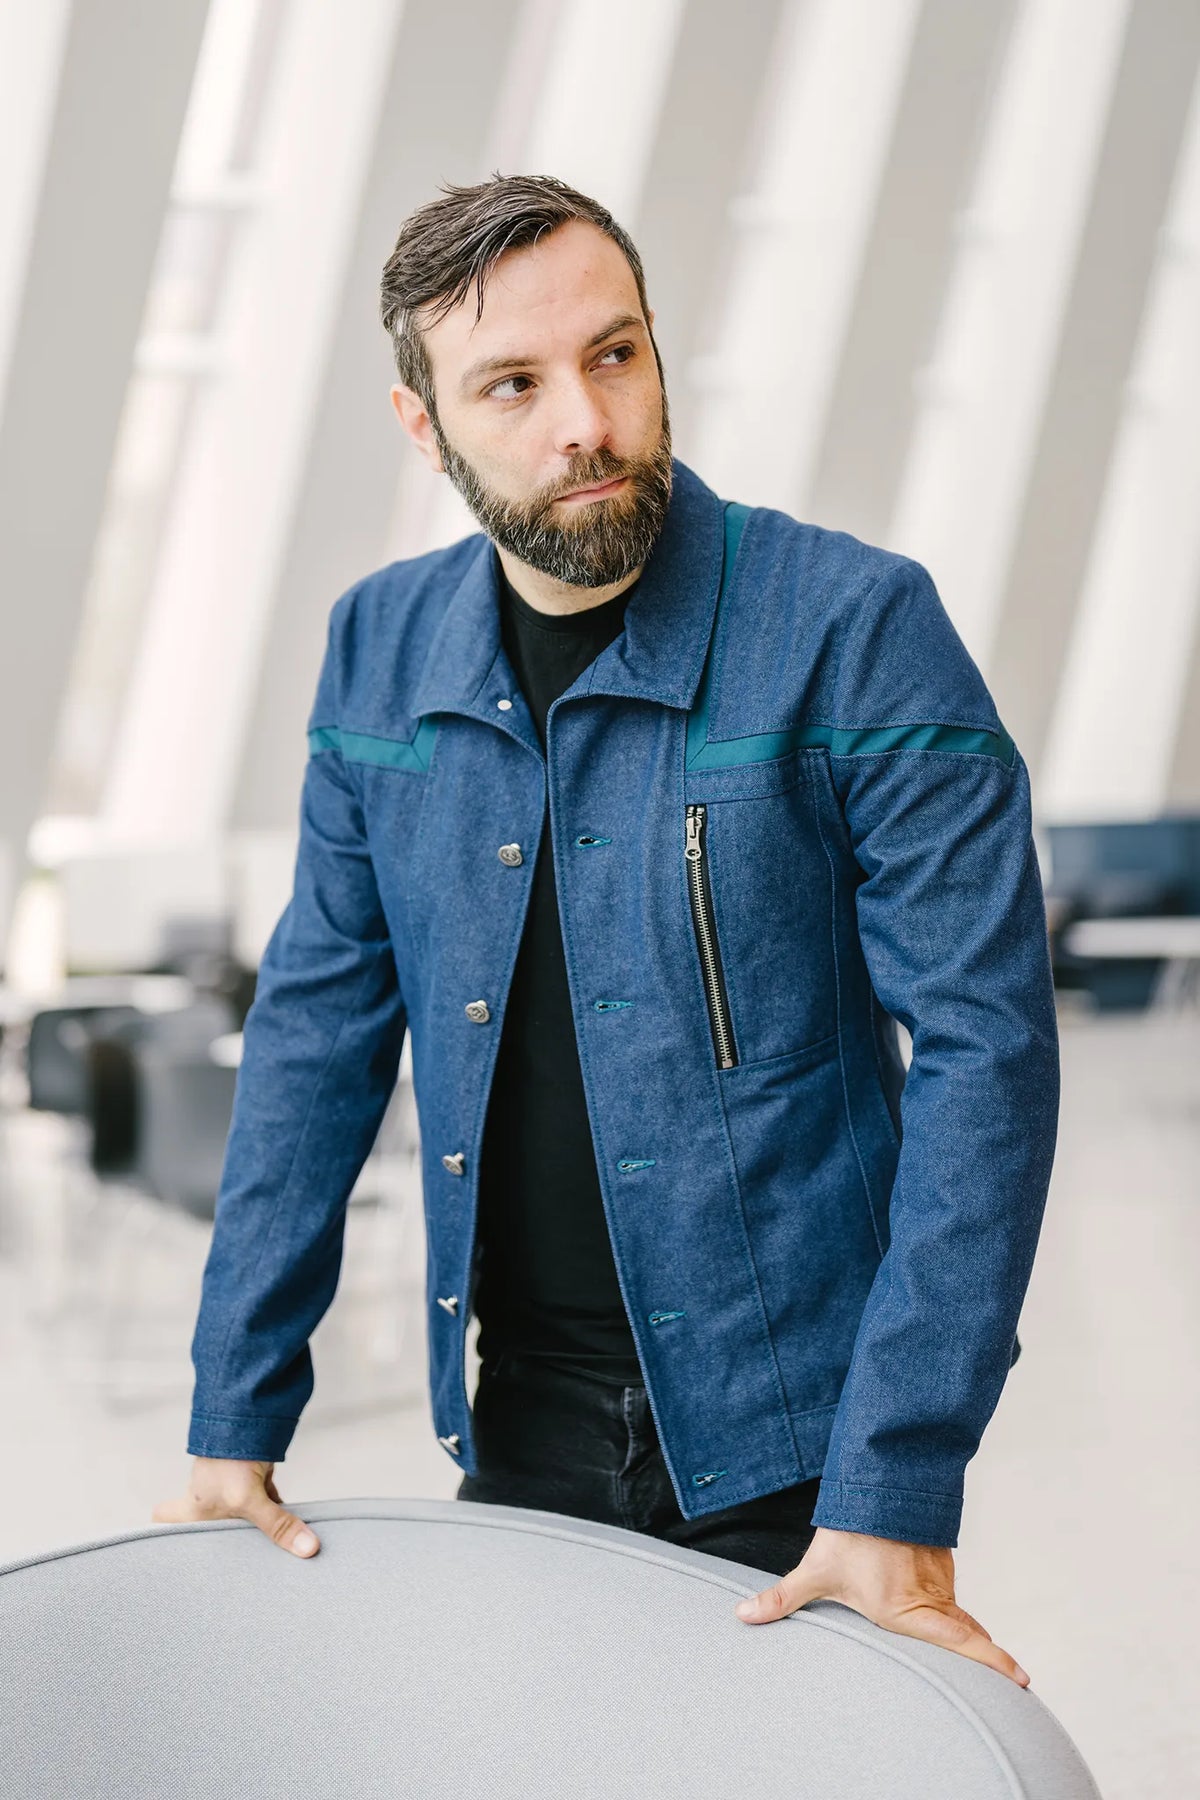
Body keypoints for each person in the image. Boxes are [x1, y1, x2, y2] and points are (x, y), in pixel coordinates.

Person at [154, 175, 1059, 1689]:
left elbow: (989, 1051)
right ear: (424, 426)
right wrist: (232, 1411)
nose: (586, 421)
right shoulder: (378, 647)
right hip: (518, 1426)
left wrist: (896, 1480)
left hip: (803, 1440)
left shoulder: (857, 627)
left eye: (615, 354)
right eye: (512, 383)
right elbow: (314, 1035)